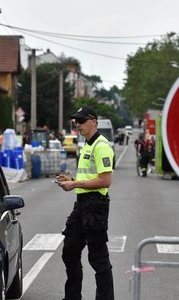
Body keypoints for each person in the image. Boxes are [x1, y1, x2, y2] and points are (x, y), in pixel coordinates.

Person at [55, 106, 115, 300]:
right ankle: (72, 297)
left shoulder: (101, 146)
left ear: (93, 121)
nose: (77, 125)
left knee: (98, 259)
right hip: (81, 205)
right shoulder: (87, 145)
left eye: (81, 121)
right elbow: (89, 176)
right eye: (75, 122)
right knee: (69, 251)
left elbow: (105, 181)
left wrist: (75, 184)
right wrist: (71, 179)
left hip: (95, 206)